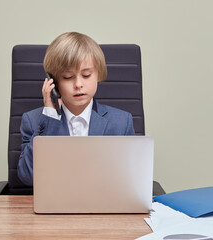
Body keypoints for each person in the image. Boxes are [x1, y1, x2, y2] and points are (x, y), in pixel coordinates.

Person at [17, 32, 135, 186]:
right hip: (54, 205)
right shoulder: (34, 121)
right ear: (53, 81)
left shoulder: (121, 122)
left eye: (86, 75)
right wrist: (50, 116)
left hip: (105, 205)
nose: (78, 84)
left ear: (99, 75)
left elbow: (131, 178)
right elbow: (28, 176)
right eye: (67, 77)